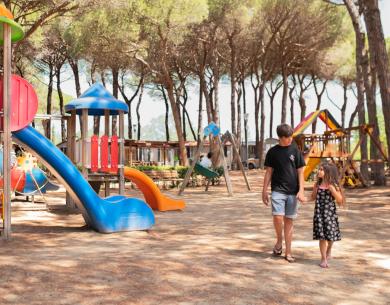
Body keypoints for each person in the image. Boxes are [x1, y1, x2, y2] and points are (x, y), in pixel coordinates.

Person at [262, 124, 305, 263]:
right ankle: (279, 240)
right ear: (280, 138)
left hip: (293, 192)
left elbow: (300, 172)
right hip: (277, 190)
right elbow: (269, 172)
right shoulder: (272, 152)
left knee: (289, 220)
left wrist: (302, 190)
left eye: (291, 136)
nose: (291, 139)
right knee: (278, 217)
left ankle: (288, 251)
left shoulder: (295, 150)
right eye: (288, 137)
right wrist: (264, 190)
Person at [311, 162, 344, 268]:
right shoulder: (317, 185)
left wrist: (332, 190)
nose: (318, 171)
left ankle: (329, 249)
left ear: (327, 172)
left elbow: (340, 200)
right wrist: (302, 198)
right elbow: (312, 197)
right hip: (319, 214)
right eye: (319, 169)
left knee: (330, 236)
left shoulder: (333, 186)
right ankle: (323, 258)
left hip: (329, 214)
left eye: (321, 169)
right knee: (322, 237)